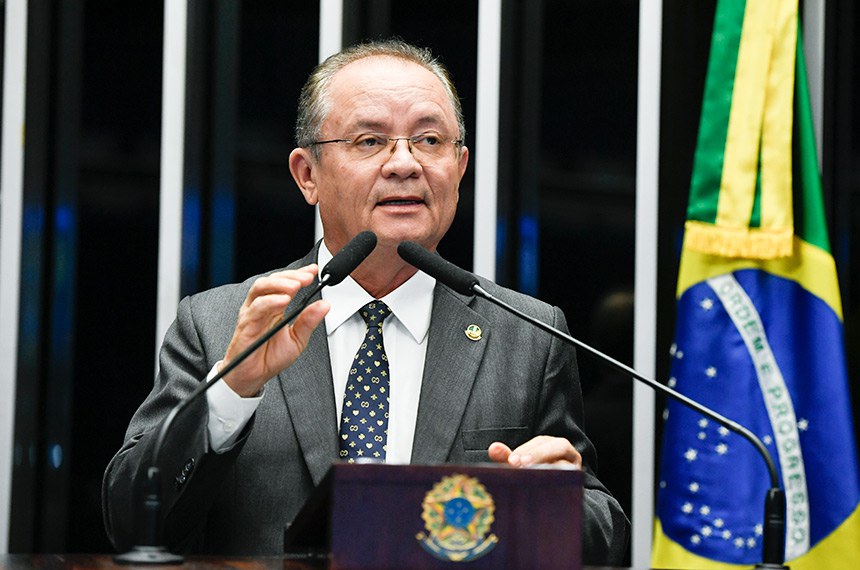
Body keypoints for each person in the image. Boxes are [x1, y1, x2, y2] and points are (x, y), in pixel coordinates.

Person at [102, 39, 629, 565]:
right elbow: (129, 525)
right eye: (370, 141)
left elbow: (604, 537)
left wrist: (557, 504)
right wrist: (233, 388)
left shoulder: (528, 335)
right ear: (307, 175)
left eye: (429, 140)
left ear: (459, 166)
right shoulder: (219, 325)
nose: (404, 163)